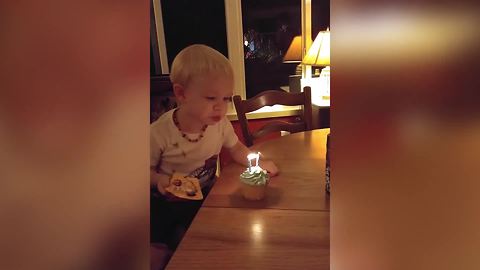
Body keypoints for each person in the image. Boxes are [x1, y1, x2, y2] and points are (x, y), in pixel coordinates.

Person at [150, 44, 278, 269]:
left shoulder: (220, 125)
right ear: (181, 94)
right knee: (158, 252)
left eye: (226, 98)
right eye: (211, 98)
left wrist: (258, 162)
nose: (220, 108)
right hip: (165, 202)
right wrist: (159, 180)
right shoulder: (159, 132)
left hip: (205, 196)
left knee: (222, 238)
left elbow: (236, 148)